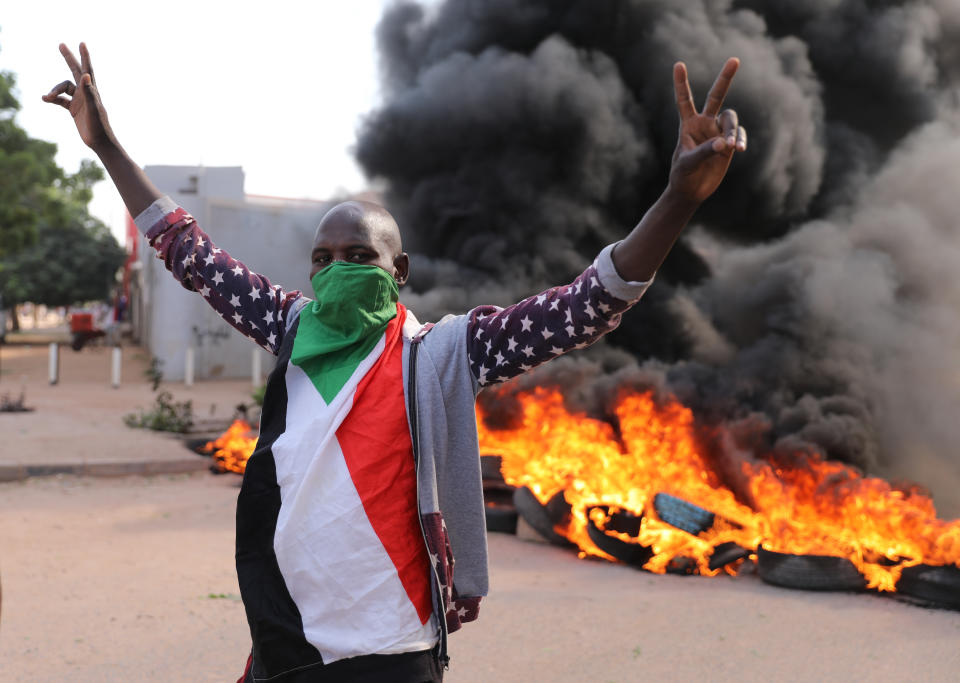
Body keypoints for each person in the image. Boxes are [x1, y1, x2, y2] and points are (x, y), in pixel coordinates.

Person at [44, 43, 746, 682]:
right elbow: (187, 251)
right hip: (287, 642)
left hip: (394, 651)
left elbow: (586, 304)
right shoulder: (288, 329)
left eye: (360, 257)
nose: (339, 271)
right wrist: (106, 145)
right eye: (324, 259)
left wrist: (677, 200)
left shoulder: (438, 354)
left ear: (398, 269)